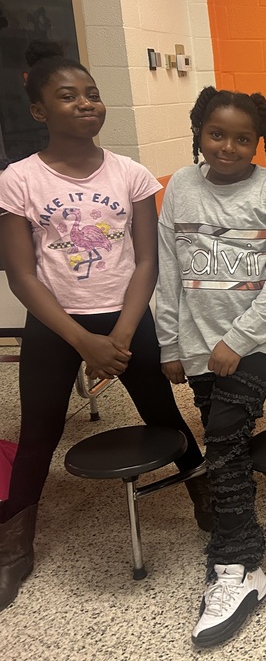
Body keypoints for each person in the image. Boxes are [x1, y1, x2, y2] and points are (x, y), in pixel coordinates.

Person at [0, 42, 210, 613]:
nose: (85, 104)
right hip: (54, 324)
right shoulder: (19, 180)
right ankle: (13, 549)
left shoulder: (132, 174)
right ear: (39, 110)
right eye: (67, 97)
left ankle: (207, 501)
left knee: (163, 412)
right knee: (39, 431)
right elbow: (21, 275)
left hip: (126, 317)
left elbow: (147, 261)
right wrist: (81, 339)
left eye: (91, 94)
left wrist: (120, 333)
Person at [156, 86, 266, 648]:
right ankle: (236, 547)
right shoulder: (179, 189)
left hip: (258, 341)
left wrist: (238, 341)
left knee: (222, 438)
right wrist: (170, 343)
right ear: (198, 132)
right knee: (225, 441)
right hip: (197, 342)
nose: (228, 146)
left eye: (243, 138)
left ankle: (239, 565)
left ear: (258, 142)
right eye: (217, 134)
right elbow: (169, 270)